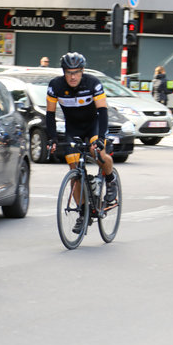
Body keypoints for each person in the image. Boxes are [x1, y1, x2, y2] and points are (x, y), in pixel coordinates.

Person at [45, 52, 117, 233]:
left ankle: (110, 179)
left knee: (98, 154)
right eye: (69, 72)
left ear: (82, 71)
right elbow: (50, 114)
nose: (73, 76)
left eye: (76, 72)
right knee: (74, 170)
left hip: (93, 126)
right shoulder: (55, 86)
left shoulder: (93, 83)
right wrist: (52, 138)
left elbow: (103, 111)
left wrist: (100, 138)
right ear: (64, 72)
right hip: (73, 129)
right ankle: (83, 213)